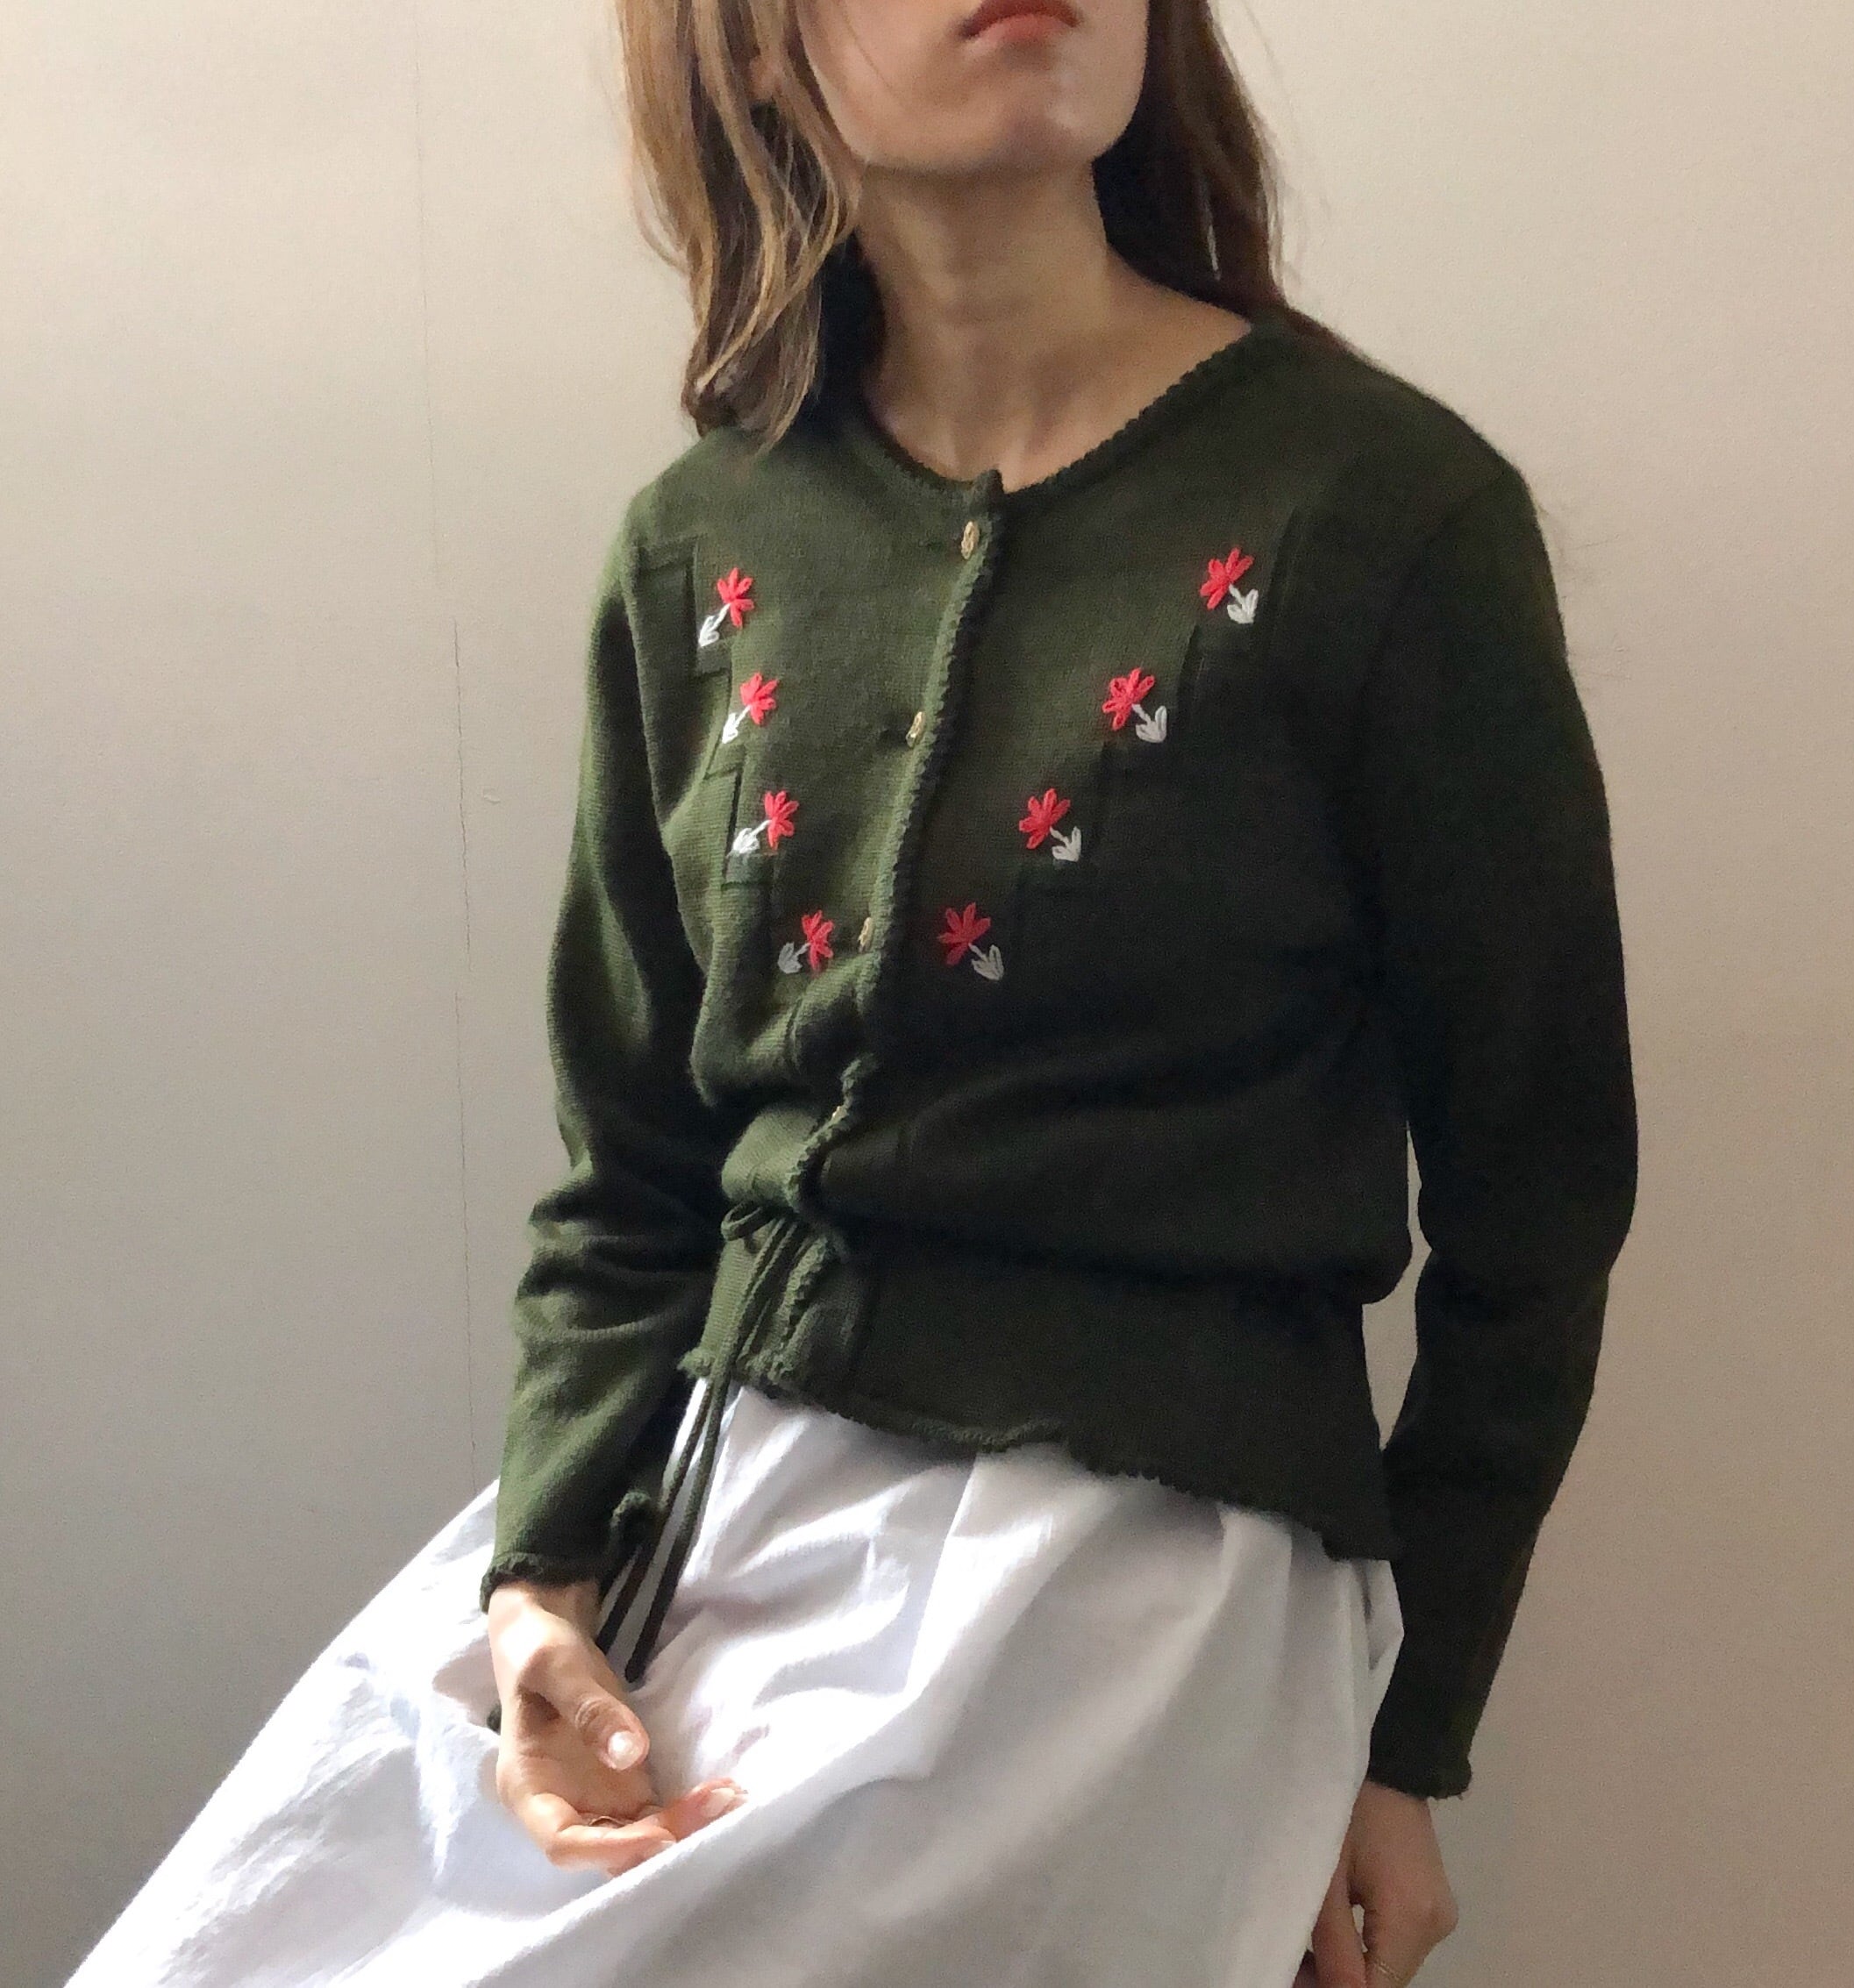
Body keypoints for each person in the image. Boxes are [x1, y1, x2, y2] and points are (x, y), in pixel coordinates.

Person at [71, 3, 1637, 1984]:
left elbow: (1538, 1208)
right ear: (747, 45)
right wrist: (542, 1589)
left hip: (1137, 1575)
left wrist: (1402, 1737)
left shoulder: (1384, 525)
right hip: (704, 1517)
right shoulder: (700, 548)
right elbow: (632, 1165)